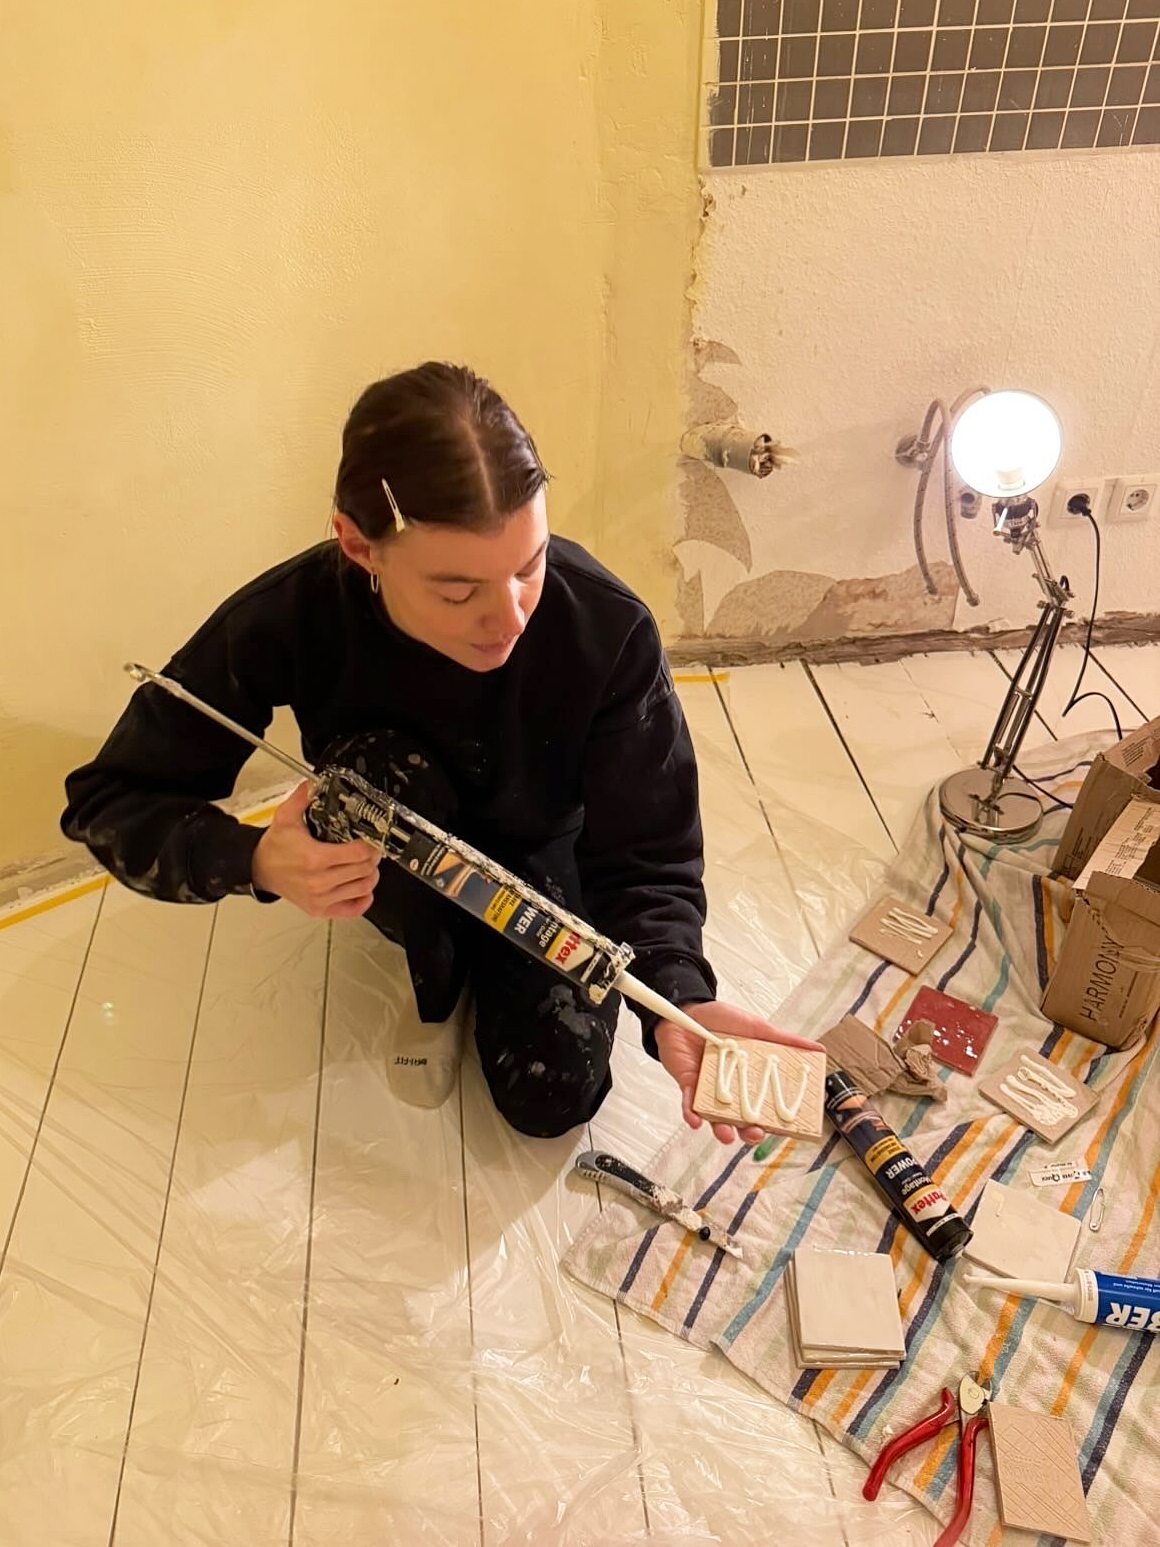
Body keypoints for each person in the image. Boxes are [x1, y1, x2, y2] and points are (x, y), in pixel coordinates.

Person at [62, 363, 819, 1142]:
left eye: (529, 568)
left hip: (540, 858)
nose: (508, 619)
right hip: (389, 835)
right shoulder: (292, 616)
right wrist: (255, 858)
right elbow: (109, 801)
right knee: (378, 784)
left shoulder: (606, 627)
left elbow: (650, 849)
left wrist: (679, 997)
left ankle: (484, 956)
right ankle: (436, 960)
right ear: (359, 547)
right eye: (457, 592)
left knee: (551, 1101)